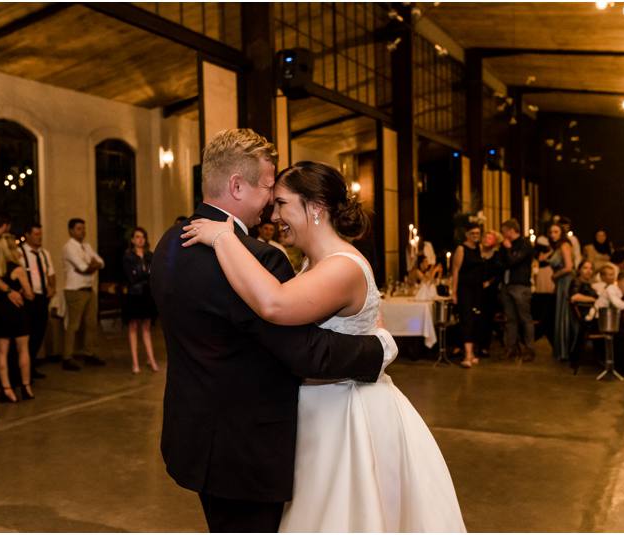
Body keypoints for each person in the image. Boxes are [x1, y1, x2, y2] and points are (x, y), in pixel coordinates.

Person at [181, 157, 464, 532]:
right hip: (317, 408)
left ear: (315, 207)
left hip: (346, 413)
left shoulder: (341, 266)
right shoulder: (313, 264)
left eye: (282, 204)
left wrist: (223, 238)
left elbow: (274, 304)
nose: (273, 215)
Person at [151, 130, 401, 533]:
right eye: (269, 189)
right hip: (246, 448)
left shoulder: (170, 242)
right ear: (237, 186)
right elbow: (304, 351)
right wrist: (380, 348)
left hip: (194, 433)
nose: (271, 207)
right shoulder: (258, 259)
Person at [0, 233, 35, 402]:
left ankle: (6, 388)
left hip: (0, 312)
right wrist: (23, 292)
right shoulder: (18, 269)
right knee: (23, 350)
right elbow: (30, 294)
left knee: (1, 352)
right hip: (17, 312)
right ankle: (26, 386)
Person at [62, 218, 106, 371]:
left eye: (83, 228)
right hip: (75, 290)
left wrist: (92, 265)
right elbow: (83, 268)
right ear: (71, 231)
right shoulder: (68, 247)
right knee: (73, 325)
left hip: (88, 289)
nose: (83, 231)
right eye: (79, 229)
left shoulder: (86, 246)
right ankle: (67, 357)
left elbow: (101, 263)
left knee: (91, 323)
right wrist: (91, 265)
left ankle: (89, 353)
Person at [20, 223, 56, 378]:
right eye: (36, 234)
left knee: (39, 333)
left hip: (42, 297)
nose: (39, 237)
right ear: (27, 235)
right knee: (26, 334)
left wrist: (52, 287)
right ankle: (22, 368)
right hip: (28, 298)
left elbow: (50, 273)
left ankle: (32, 365)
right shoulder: (20, 253)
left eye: (40, 234)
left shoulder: (44, 253)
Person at [122, 227, 158, 374]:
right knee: (133, 328)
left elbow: (153, 274)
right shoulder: (128, 257)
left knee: (147, 328)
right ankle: (135, 363)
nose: (140, 239)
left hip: (147, 295)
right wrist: (144, 274)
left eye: (142, 236)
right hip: (133, 295)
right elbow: (131, 277)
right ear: (132, 240)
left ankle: (152, 360)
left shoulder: (150, 255)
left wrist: (143, 274)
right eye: (137, 237)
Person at [499, 219, 536, 361]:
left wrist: (508, 249)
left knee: (525, 319)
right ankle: (511, 348)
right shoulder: (505, 245)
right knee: (510, 319)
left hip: (520, 285)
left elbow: (513, 261)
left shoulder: (524, 244)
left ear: (511, 230)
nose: (502, 234)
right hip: (506, 285)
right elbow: (500, 263)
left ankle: (529, 350)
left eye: (504, 231)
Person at [451, 222, 484, 368]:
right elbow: (455, 271)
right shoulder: (461, 249)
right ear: (467, 235)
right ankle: (468, 354)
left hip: (477, 289)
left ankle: (472, 353)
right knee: (466, 319)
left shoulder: (479, 248)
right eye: (473, 233)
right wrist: (454, 292)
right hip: (464, 289)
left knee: (476, 319)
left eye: (478, 233)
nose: (475, 236)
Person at [548, 223, 576, 361]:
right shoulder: (558, 246)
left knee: (564, 314)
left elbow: (569, 267)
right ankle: (562, 349)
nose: (553, 234)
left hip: (565, 281)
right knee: (561, 313)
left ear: (561, 233)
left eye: (556, 231)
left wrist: (555, 276)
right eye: (551, 232)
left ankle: (565, 350)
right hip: (561, 282)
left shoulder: (564, 245)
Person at [568, 259, 600, 373]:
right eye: (585, 268)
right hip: (586, 319)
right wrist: (593, 299)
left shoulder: (587, 283)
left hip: (590, 316)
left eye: (591, 268)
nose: (588, 271)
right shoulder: (577, 281)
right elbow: (574, 297)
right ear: (579, 270)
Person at [479, 230, 503, 358]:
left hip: (490, 290)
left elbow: (499, 274)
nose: (486, 240)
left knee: (487, 318)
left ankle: (484, 346)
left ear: (495, 241)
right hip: (476, 288)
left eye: (489, 238)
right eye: (485, 237)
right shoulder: (477, 253)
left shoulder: (497, 255)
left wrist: (488, 283)